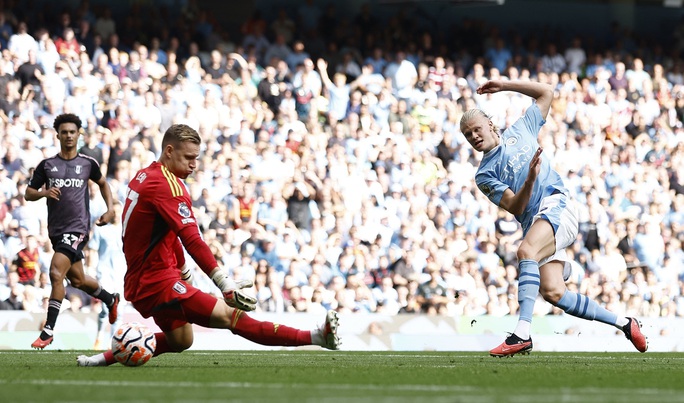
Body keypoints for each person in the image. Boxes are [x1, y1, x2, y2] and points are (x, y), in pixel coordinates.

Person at [77, 124, 339, 367]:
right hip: (157, 281)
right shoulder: (168, 187)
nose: (193, 165)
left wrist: (185, 271)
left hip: (145, 279)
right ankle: (317, 336)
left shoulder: (145, 175)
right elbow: (191, 238)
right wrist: (223, 282)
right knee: (232, 317)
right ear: (169, 151)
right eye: (188, 157)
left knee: (181, 340)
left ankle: (102, 359)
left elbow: (166, 233)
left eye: (196, 158)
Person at [459, 80, 647, 357]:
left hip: (557, 204)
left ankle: (521, 333)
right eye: (467, 134)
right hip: (537, 223)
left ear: (490, 124)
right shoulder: (484, 174)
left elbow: (547, 92)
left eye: (476, 129)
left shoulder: (521, 129)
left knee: (525, 251)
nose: (474, 136)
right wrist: (530, 179)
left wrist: (504, 86)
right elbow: (515, 205)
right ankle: (625, 323)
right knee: (554, 292)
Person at [25, 113, 120, 349]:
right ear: (58, 135)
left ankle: (48, 331)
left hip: (78, 228)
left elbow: (103, 183)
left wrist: (109, 210)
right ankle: (110, 299)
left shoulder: (88, 163)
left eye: (72, 132)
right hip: (56, 231)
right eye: (64, 132)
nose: (68, 135)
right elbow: (29, 193)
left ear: (79, 135)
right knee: (77, 279)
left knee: (56, 272)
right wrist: (44, 193)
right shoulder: (47, 165)